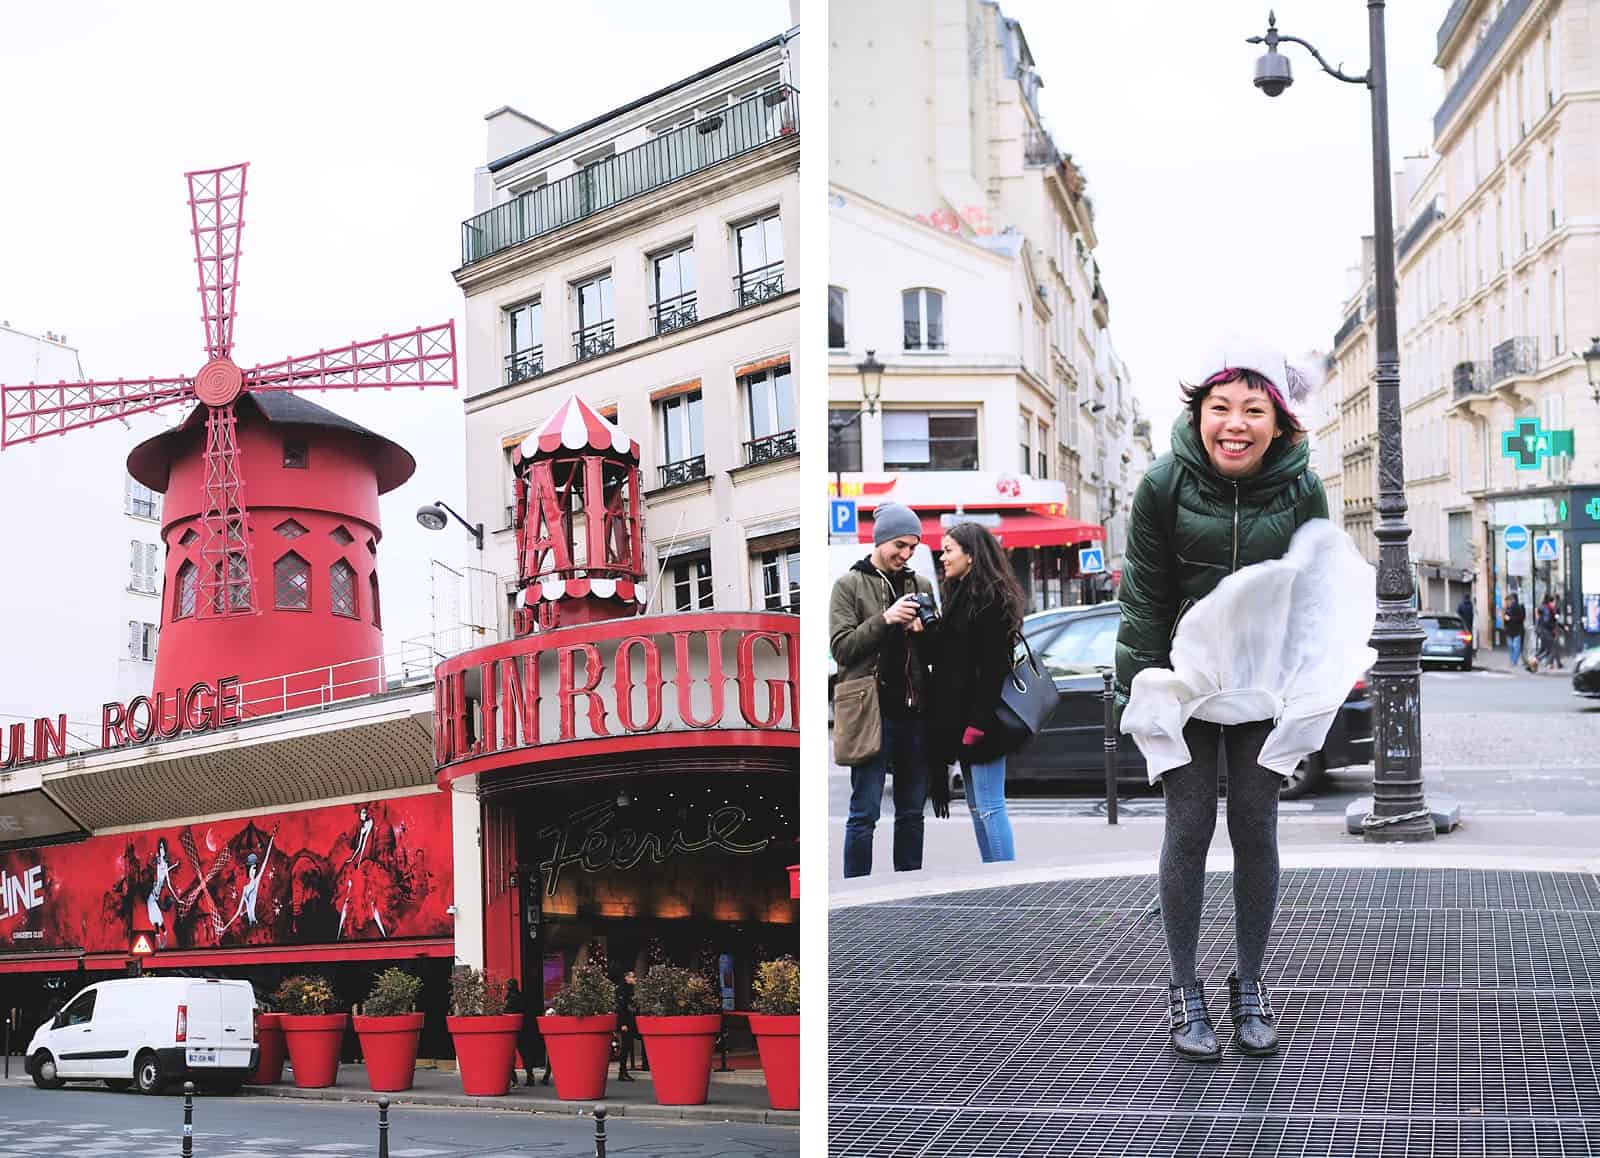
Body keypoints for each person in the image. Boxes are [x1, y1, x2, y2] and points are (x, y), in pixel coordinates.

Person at [1115, 340, 1328, 1063]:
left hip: (1264, 681)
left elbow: (1314, 594)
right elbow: (1143, 595)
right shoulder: (1163, 483)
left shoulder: (1303, 489)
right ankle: (1183, 990)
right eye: (1220, 408)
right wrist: (1140, 690)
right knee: (1188, 827)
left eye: (1253, 409)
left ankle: (1252, 984)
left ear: (1279, 421)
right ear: (1198, 412)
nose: (1234, 424)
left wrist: (1311, 683)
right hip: (1186, 679)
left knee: (1256, 827)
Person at [830, 501, 946, 877]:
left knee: (912, 812)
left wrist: (923, 632)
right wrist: (885, 619)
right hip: (869, 713)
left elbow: (935, 652)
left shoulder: (921, 583)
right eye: (900, 545)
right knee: (864, 812)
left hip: (914, 714)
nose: (906, 554)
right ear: (880, 541)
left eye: (913, 546)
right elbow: (842, 648)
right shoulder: (849, 584)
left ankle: (908, 884)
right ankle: (855, 890)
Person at [927, 522, 1026, 863]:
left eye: (949, 550)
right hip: (966, 718)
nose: (943, 557)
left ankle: (1004, 881)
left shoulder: (989, 599)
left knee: (989, 807)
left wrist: (978, 722)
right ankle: (992, 876)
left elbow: (993, 668)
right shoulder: (962, 595)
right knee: (976, 806)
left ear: (971, 555)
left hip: (983, 721)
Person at [504, 979, 536, 1090]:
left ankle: (514, 1080)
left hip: (512, 1029)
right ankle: (530, 1076)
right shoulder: (522, 997)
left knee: (510, 1055)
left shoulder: (510, 998)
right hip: (523, 1029)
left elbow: (506, 1012)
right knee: (525, 1054)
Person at [615, 970, 636, 1081]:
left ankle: (624, 1071)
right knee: (625, 1047)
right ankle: (622, 1071)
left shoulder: (630, 990)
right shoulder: (622, 990)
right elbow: (621, 1008)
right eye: (632, 977)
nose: (634, 979)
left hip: (630, 1022)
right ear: (626, 978)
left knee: (627, 1047)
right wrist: (622, 1023)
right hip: (625, 1023)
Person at [1536, 594, 1565, 670]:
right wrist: (1554, 626)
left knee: (1547, 649)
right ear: (1550, 602)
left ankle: (1554, 664)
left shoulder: (1544, 608)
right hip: (1547, 632)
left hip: (1543, 631)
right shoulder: (1548, 610)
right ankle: (1544, 663)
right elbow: (1548, 621)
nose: (1555, 604)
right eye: (1554, 602)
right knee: (1551, 649)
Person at [1502, 594, 1526, 670]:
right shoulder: (1508, 608)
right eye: (1506, 601)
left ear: (1512, 600)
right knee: (1511, 646)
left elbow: (1521, 618)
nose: (1507, 603)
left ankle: (1514, 661)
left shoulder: (1518, 607)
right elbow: (1506, 619)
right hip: (1510, 630)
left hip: (1516, 630)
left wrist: (1510, 618)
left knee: (1516, 646)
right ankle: (1512, 660)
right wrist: (1505, 620)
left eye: (1508, 601)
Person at [1456, 592, 1475, 659]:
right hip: (1469, 625)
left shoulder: (1461, 605)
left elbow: (1458, 614)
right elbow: (1472, 615)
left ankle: (1462, 651)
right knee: (1469, 639)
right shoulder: (1471, 605)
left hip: (1463, 625)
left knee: (1462, 639)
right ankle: (1470, 652)